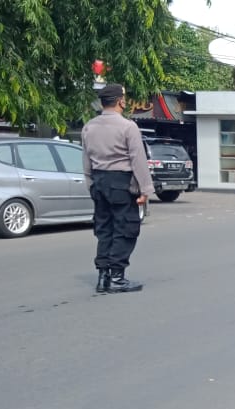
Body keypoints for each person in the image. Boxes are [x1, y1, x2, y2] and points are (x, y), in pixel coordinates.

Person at [82, 83, 155, 294]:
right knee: (125, 229)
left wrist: (91, 185)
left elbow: (86, 161)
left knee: (104, 230)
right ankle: (116, 277)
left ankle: (103, 276)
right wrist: (145, 190)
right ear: (120, 101)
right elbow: (138, 160)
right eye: (125, 97)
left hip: (99, 182)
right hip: (121, 183)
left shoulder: (89, 126)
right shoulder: (128, 127)